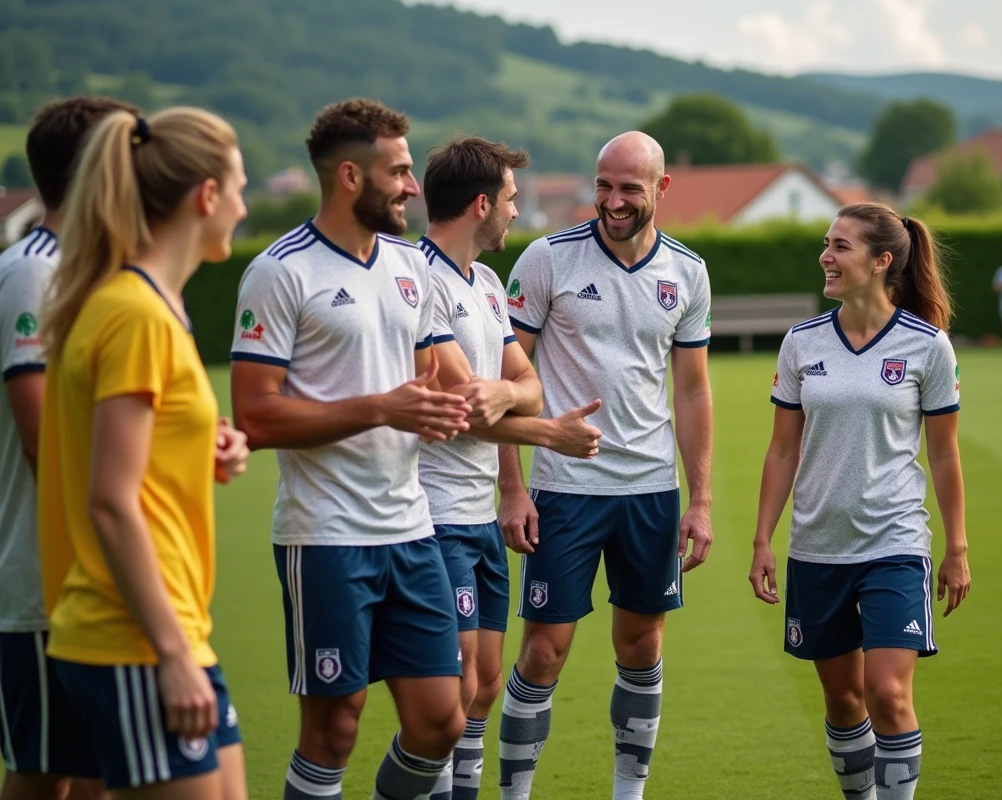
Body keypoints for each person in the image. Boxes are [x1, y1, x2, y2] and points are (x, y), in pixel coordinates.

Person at [229, 99, 475, 800]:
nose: (412, 187)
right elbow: (254, 416)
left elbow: (430, 385)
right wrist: (379, 409)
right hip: (325, 537)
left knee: (441, 722)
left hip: (412, 530)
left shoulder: (409, 265)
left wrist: (468, 413)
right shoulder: (280, 272)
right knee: (334, 729)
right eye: (398, 171)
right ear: (348, 176)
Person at [36, 106, 252, 798]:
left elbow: (135, 450)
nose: (245, 208)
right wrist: (171, 653)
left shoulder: (152, 306)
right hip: (134, 637)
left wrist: (205, 446)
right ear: (207, 196)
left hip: (172, 628)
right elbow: (109, 501)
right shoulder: (135, 314)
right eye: (240, 189)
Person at [496, 132, 713, 800]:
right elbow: (505, 382)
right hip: (563, 488)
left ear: (662, 188)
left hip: (650, 490)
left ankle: (628, 793)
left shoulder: (688, 272)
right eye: (603, 186)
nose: (613, 201)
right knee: (544, 650)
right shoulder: (547, 259)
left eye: (629, 188)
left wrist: (701, 500)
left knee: (642, 647)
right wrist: (512, 488)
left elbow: (693, 392)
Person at [749, 203, 970, 800]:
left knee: (888, 695)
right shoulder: (801, 342)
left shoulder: (929, 347)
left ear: (881, 261)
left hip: (894, 543)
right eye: (827, 243)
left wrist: (956, 547)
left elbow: (944, 455)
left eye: (840, 246)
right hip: (818, 547)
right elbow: (782, 451)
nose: (826, 256)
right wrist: (763, 539)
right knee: (844, 699)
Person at [416, 135, 604, 800]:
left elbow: (525, 384)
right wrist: (547, 432)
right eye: (511, 198)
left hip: (478, 516)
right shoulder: (419, 282)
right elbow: (463, 407)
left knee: (486, 683)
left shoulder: (489, 285)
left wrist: (505, 394)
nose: (516, 211)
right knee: (456, 684)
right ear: (480, 204)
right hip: (433, 513)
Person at [0, 96, 140, 800]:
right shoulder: (35, 272)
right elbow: (42, 438)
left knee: (97, 772)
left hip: (102, 567)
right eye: (133, 156)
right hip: (47, 577)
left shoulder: (104, 272)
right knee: (43, 773)